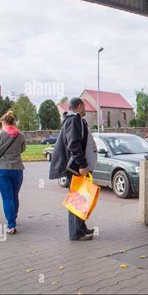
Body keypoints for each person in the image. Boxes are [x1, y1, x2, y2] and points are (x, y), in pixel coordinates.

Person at [49, 98, 96, 241]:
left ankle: (81, 227)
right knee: (77, 198)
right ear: (79, 106)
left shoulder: (77, 120)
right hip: (76, 168)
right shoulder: (73, 120)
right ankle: (75, 233)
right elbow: (73, 145)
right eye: (84, 106)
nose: (86, 109)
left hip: (79, 167)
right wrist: (82, 165)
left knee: (82, 197)